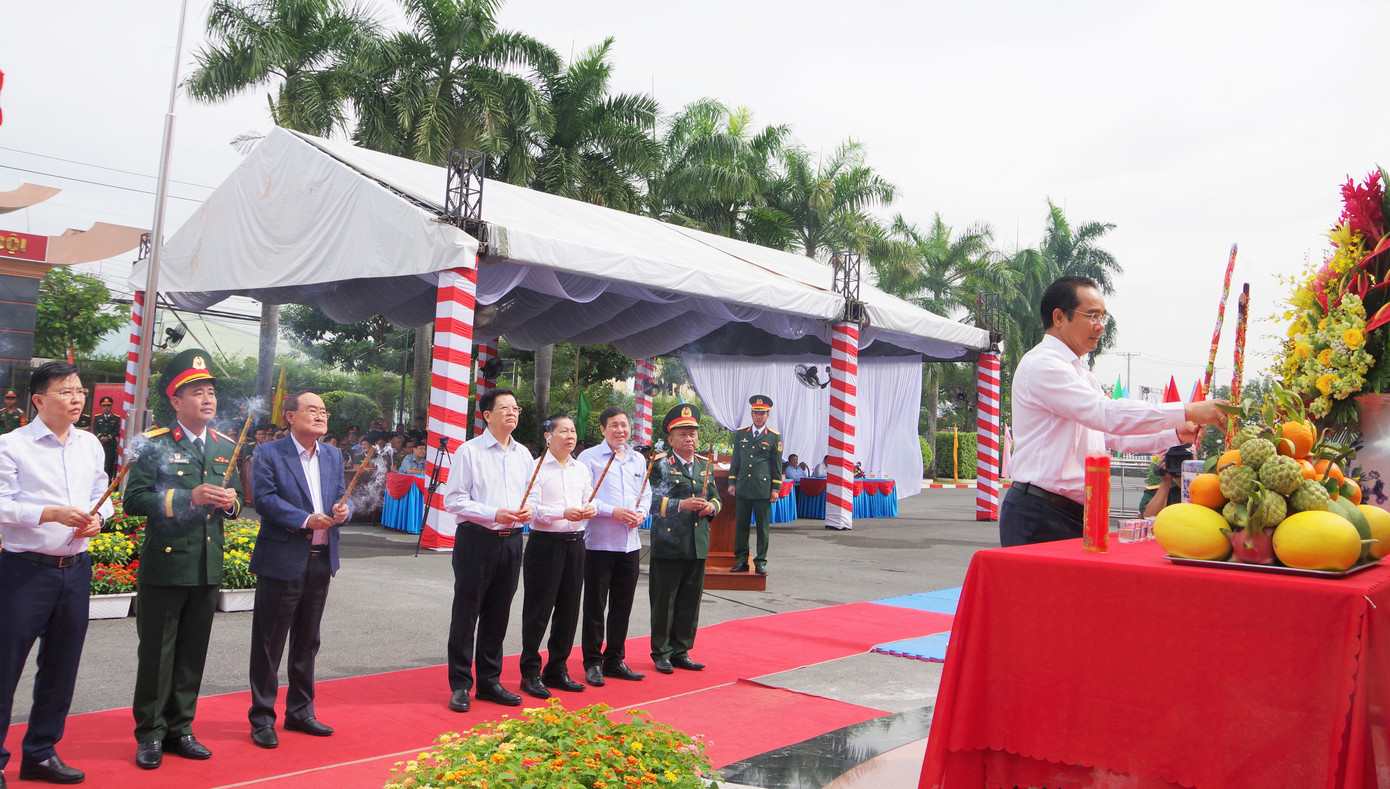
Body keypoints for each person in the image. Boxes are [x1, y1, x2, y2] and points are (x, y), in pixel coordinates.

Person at [1000, 276, 1227, 546]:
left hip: (1075, 513)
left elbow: (1111, 436)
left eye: (1103, 318)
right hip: (1039, 511)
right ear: (1059, 317)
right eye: (1092, 316)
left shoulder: (1081, 373)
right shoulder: (1043, 365)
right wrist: (1188, 410)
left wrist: (1176, 434)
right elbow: (1106, 414)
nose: (1100, 327)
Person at [123, 349, 243, 770]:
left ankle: (182, 728)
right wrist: (183, 497)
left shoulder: (225, 446)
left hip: (207, 564)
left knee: (193, 652)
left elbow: (237, 499)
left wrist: (231, 503)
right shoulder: (155, 445)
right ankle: (151, 733)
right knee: (157, 653)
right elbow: (132, 500)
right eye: (197, 392)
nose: (208, 399)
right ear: (176, 402)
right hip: (166, 563)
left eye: (211, 392)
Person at [0, 362, 111, 785]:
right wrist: (50, 513)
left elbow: (102, 493)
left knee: (61, 667)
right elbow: (2, 503)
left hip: (74, 570)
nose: (77, 399)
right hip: (24, 571)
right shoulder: (11, 445)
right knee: (5, 667)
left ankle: (41, 752)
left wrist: (99, 518)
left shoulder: (90, 445)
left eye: (80, 391)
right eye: (66, 391)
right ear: (38, 399)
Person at [246, 391, 350, 750]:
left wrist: (342, 510)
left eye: (323, 411)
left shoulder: (333, 454)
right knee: (269, 642)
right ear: (290, 416)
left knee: (307, 641)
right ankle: (262, 717)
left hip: (320, 558)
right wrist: (306, 519)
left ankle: (301, 711)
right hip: (282, 559)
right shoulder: (268, 453)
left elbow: (339, 494)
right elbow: (264, 499)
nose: (321, 416)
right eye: (312, 410)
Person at [440, 388, 534, 712]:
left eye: (516, 408)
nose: (512, 412)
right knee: (466, 614)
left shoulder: (523, 454)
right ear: (487, 415)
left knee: (498, 613)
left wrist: (528, 510)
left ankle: (490, 682)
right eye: (504, 407)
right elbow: (453, 500)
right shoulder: (470, 451)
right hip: (477, 540)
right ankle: (461, 684)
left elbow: (531, 494)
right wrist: (493, 513)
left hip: (511, 541)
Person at [518, 414, 595, 699]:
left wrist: (591, 509)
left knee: (569, 609)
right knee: (538, 611)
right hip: (545, 544)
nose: (570, 436)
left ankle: (557, 668)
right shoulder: (536, 468)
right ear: (548, 436)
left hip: (575, 544)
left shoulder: (581, 469)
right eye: (563, 431)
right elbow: (530, 509)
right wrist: (560, 514)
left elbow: (589, 498)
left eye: (573, 430)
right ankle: (529, 672)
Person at [577, 407, 650, 687]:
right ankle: (593, 661)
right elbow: (585, 498)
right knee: (595, 605)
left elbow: (646, 492)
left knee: (623, 605)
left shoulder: (636, 459)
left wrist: (641, 513)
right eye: (614, 425)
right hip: (599, 543)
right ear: (602, 430)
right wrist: (613, 511)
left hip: (630, 544)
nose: (620, 430)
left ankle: (615, 658)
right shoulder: (589, 458)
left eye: (624, 425)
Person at [648, 403, 721, 674]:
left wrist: (712, 507)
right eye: (682, 434)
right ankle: (662, 651)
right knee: (664, 599)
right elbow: (650, 500)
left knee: (690, 598)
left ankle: (682, 650)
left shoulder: (705, 464)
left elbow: (715, 495)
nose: (689, 438)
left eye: (692, 433)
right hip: (669, 541)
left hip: (697, 540)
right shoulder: (659, 465)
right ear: (670, 439)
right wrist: (681, 505)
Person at [727, 395, 782, 575]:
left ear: (768, 415)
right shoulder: (742, 434)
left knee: (762, 528)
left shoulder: (774, 437)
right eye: (756, 413)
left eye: (762, 413)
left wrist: (775, 489)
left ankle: (760, 561)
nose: (759, 417)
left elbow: (776, 465)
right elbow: (736, 459)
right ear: (751, 414)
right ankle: (741, 560)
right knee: (741, 526)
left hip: (762, 489)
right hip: (743, 487)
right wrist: (732, 482)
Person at [93, 396, 121, 479]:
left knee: (109, 463)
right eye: (104, 406)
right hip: (100, 443)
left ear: (111, 407)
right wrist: (101, 437)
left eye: (108, 406)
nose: (106, 408)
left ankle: (108, 480)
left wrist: (108, 437)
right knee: (98, 462)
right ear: (101, 407)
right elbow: (95, 429)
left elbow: (116, 430)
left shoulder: (116, 418)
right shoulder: (98, 417)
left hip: (110, 444)